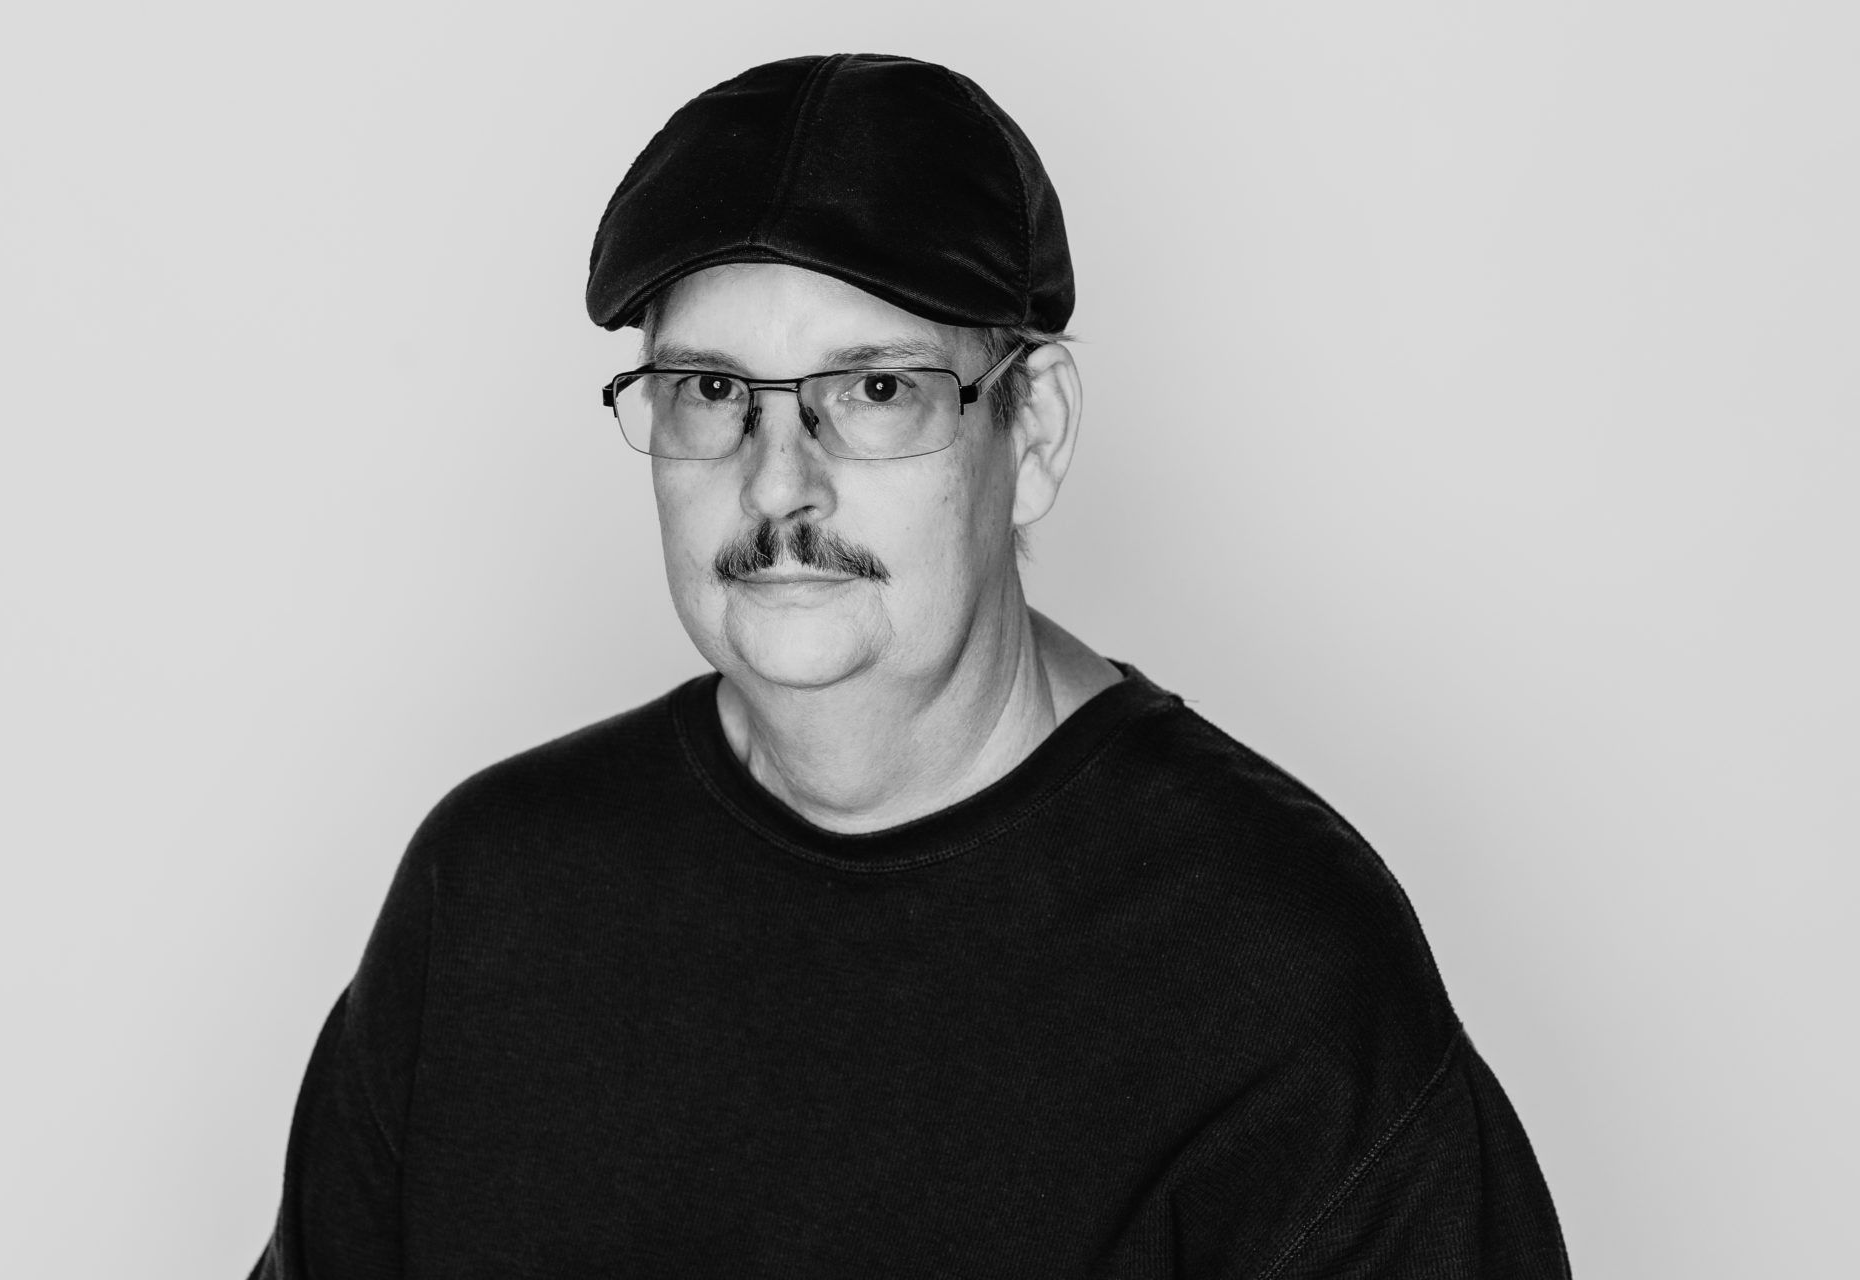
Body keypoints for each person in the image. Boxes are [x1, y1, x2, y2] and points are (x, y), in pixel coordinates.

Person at [250, 53, 1570, 1278]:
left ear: (1032, 427)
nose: (780, 481)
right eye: (713, 392)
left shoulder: (1276, 981)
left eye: (876, 393)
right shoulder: (492, 894)